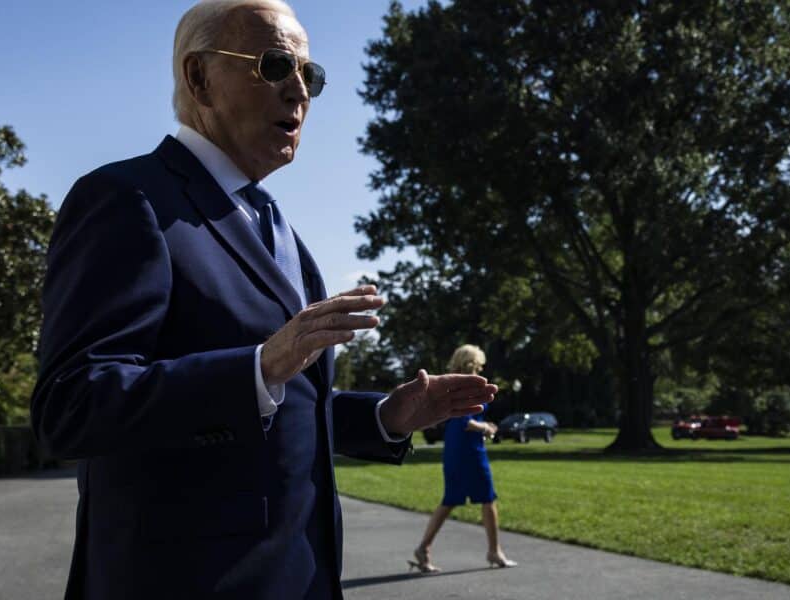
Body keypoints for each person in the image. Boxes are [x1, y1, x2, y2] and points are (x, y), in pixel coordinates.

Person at [30, 1, 497, 598]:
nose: (299, 92)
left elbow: (285, 409)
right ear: (199, 77)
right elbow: (69, 409)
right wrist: (259, 365)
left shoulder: (282, 233)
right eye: (276, 65)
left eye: (311, 75)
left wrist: (385, 417)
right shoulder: (127, 201)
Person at [409, 344, 517, 574]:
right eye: (478, 363)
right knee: (487, 498)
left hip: (458, 446)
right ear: (472, 362)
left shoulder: (455, 383)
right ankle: (494, 551)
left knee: (451, 500)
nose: (480, 367)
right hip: (468, 448)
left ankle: (423, 548)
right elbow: (464, 421)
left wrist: (483, 426)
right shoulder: (467, 384)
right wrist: (486, 427)